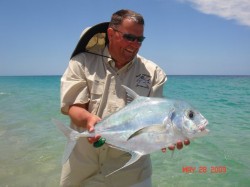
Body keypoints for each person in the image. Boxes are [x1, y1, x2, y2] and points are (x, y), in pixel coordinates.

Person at [60, 9, 190, 187]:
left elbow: (157, 117)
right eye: (130, 37)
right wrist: (89, 120)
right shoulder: (82, 62)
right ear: (111, 34)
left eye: (140, 39)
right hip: (83, 168)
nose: (135, 45)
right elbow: (74, 107)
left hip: (131, 174)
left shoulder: (154, 73)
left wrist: (168, 136)